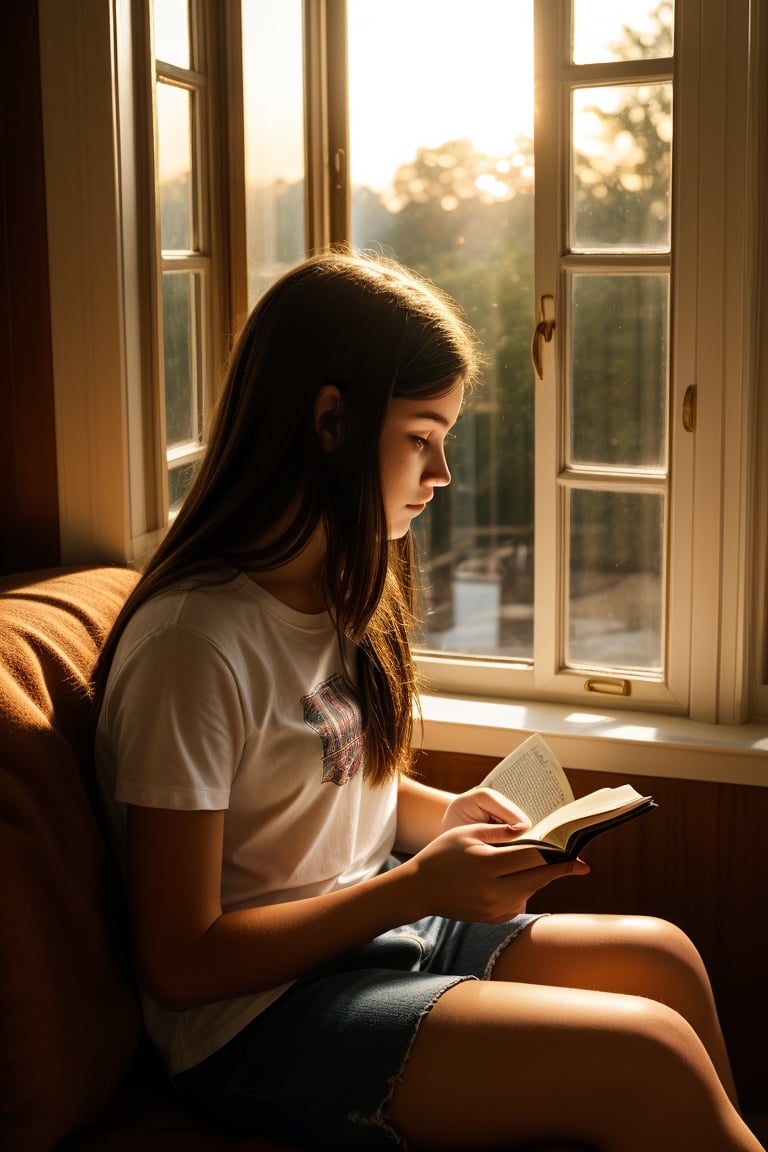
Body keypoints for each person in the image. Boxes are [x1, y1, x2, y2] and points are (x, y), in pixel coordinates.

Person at [93, 251, 763, 1152]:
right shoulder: (193, 646)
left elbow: (328, 788)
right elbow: (179, 961)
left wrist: (450, 818)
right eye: (421, 435)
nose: (443, 471)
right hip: (255, 1019)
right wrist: (415, 884)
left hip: (382, 937)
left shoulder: (335, 591)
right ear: (331, 421)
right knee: (646, 1052)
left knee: (662, 958)